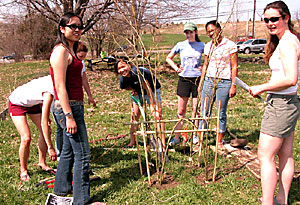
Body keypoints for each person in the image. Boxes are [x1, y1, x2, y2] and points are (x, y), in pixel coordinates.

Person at [249, 1, 300, 204]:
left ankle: (268, 202)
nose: (270, 23)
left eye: (274, 19)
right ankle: (282, 199)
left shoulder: (287, 43)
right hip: (289, 102)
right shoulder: (288, 40)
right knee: (285, 154)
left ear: (286, 18)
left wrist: (262, 87)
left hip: (281, 104)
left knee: (265, 156)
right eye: (266, 20)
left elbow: (291, 79)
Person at [50, 12, 99, 205]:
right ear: (62, 29)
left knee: (69, 152)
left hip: (74, 106)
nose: (78, 29)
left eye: (80, 26)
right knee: (83, 154)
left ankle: (62, 189)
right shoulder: (61, 51)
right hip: (68, 108)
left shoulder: (71, 50)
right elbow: (60, 86)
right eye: (73, 26)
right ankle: (82, 200)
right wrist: (69, 116)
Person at [8, 75, 57, 182]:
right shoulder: (50, 90)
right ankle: (23, 170)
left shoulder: (58, 81)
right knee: (26, 138)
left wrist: (46, 116)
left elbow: (41, 100)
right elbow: (44, 122)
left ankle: (42, 163)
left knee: (47, 130)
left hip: (34, 102)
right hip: (17, 102)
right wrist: (50, 147)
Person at [53, 40, 96, 159]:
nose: (82, 59)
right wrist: (68, 115)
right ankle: (59, 153)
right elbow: (59, 86)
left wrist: (90, 96)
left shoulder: (79, 64)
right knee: (81, 152)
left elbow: (84, 80)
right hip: (64, 104)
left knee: (70, 148)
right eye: (80, 56)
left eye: (84, 57)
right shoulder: (65, 58)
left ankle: (65, 167)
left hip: (76, 103)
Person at [198, 20, 238, 147]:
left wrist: (233, 84)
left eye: (212, 30)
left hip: (224, 81)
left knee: (221, 112)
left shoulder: (230, 45)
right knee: (204, 111)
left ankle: (219, 141)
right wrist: (201, 81)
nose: (210, 33)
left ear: (219, 29)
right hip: (209, 80)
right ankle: (200, 141)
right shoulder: (208, 46)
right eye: (208, 31)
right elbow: (205, 64)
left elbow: (234, 66)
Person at [166, 22, 205, 146]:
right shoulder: (180, 45)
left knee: (196, 110)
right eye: (186, 33)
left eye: (191, 32)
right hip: (183, 79)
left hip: (197, 80)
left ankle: (194, 135)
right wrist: (176, 68)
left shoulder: (201, 45)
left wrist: (204, 67)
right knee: (181, 111)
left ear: (195, 32)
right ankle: (177, 137)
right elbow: (168, 58)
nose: (189, 35)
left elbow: (210, 57)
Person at [114, 60, 166, 148]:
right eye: (119, 69)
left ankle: (163, 144)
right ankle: (132, 142)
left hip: (152, 90)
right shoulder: (123, 78)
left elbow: (148, 88)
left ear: (129, 65)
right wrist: (134, 89)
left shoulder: (137, 72)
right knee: (134, 116)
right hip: (139, 91)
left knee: (156, 115)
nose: (121, 70)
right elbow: (125, 87)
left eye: (123, 67)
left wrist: (152, 105)